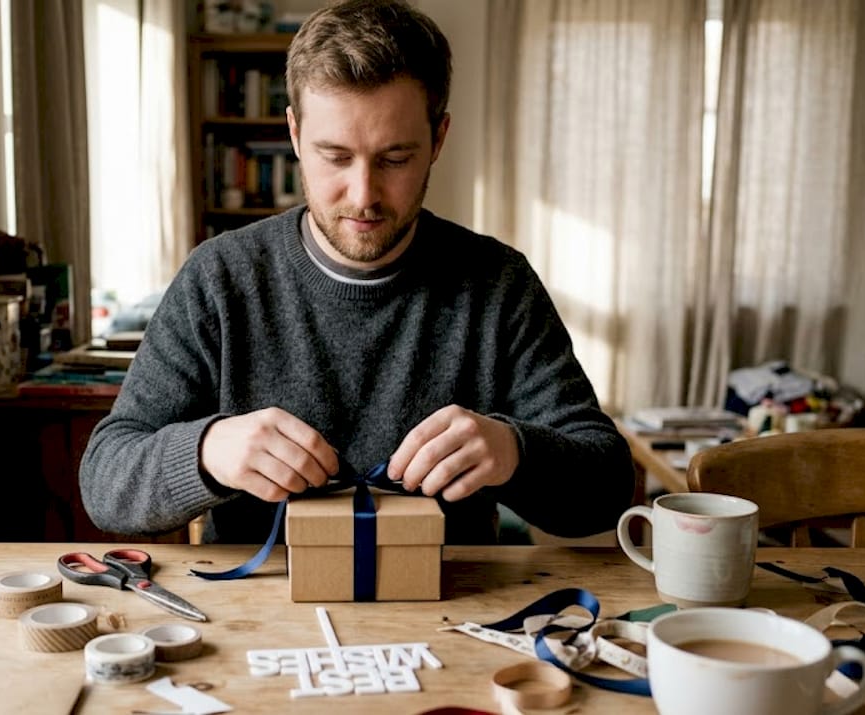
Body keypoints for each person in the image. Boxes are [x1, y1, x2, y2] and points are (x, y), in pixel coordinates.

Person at [80, 0, 634, 544]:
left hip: (453, 611)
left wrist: (514, 452)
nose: (364, 195)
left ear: (438, 139)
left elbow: (608, 487)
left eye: (395, 159)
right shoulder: (220, 278)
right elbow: (105, 481)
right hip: (255, 615)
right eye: (335, 156)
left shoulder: (498, 284)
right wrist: (206, 451)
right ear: (295, 135)